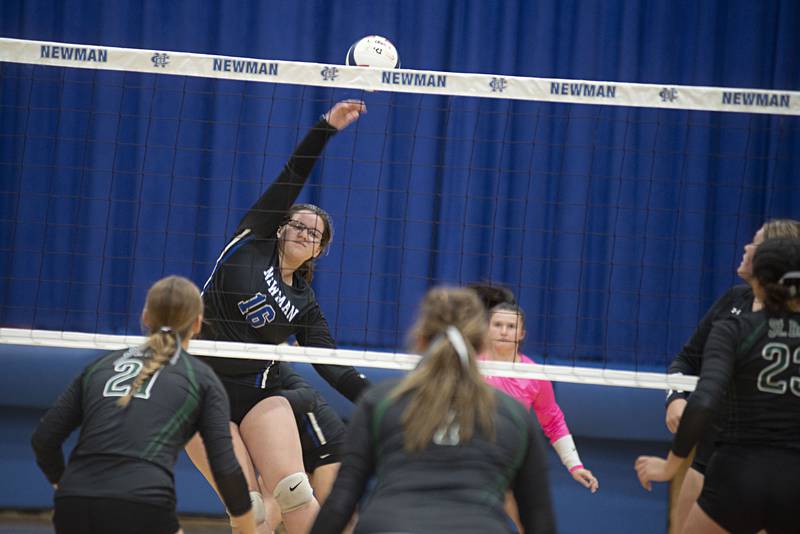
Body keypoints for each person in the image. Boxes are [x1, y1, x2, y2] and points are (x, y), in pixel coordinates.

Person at [186, 100, 371, 533]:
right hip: (201, 389)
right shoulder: (252, 241)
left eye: (314, 234)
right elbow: (293, 173)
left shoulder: (305, 304)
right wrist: (326, 127)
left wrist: (379, 400)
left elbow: (331, 365)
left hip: (258, 392)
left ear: (319, 251)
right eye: (298, 224)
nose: (304, 232)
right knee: (248, 504)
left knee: (294, 492)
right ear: (281, 226)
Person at [311, 287, 557, 534]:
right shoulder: (512, 414)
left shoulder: (382, 401)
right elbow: (539, 517)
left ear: (420, 338)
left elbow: (340, 503)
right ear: (482, 344)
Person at [30, 276, 256, 534]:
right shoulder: (201, 378)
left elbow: (44, 438)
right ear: (196, 324)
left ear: (146, 317)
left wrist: (64, 484)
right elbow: (226, 469)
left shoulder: (100, 366)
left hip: (74, 503)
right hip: (143, 504)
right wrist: (247, 528)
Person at [636, 237, 800, 534]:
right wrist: (675, 399)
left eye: (756, 246)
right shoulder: (732, 306)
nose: (747, 248)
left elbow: (705, 399)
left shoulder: (735, 330)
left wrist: (670, 467)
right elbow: (686, 363)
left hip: (738, 472)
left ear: (764, 274)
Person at [482, 302, 599, 493]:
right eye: (497, 325)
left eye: (511, 326)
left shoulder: (534, 376)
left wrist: (575, 465)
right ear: (487, 329)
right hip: (471, 454)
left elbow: (553, 421)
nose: (503, 331)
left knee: (517, 512)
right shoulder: (470, 364)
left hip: (509, 457)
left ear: (522, 334)